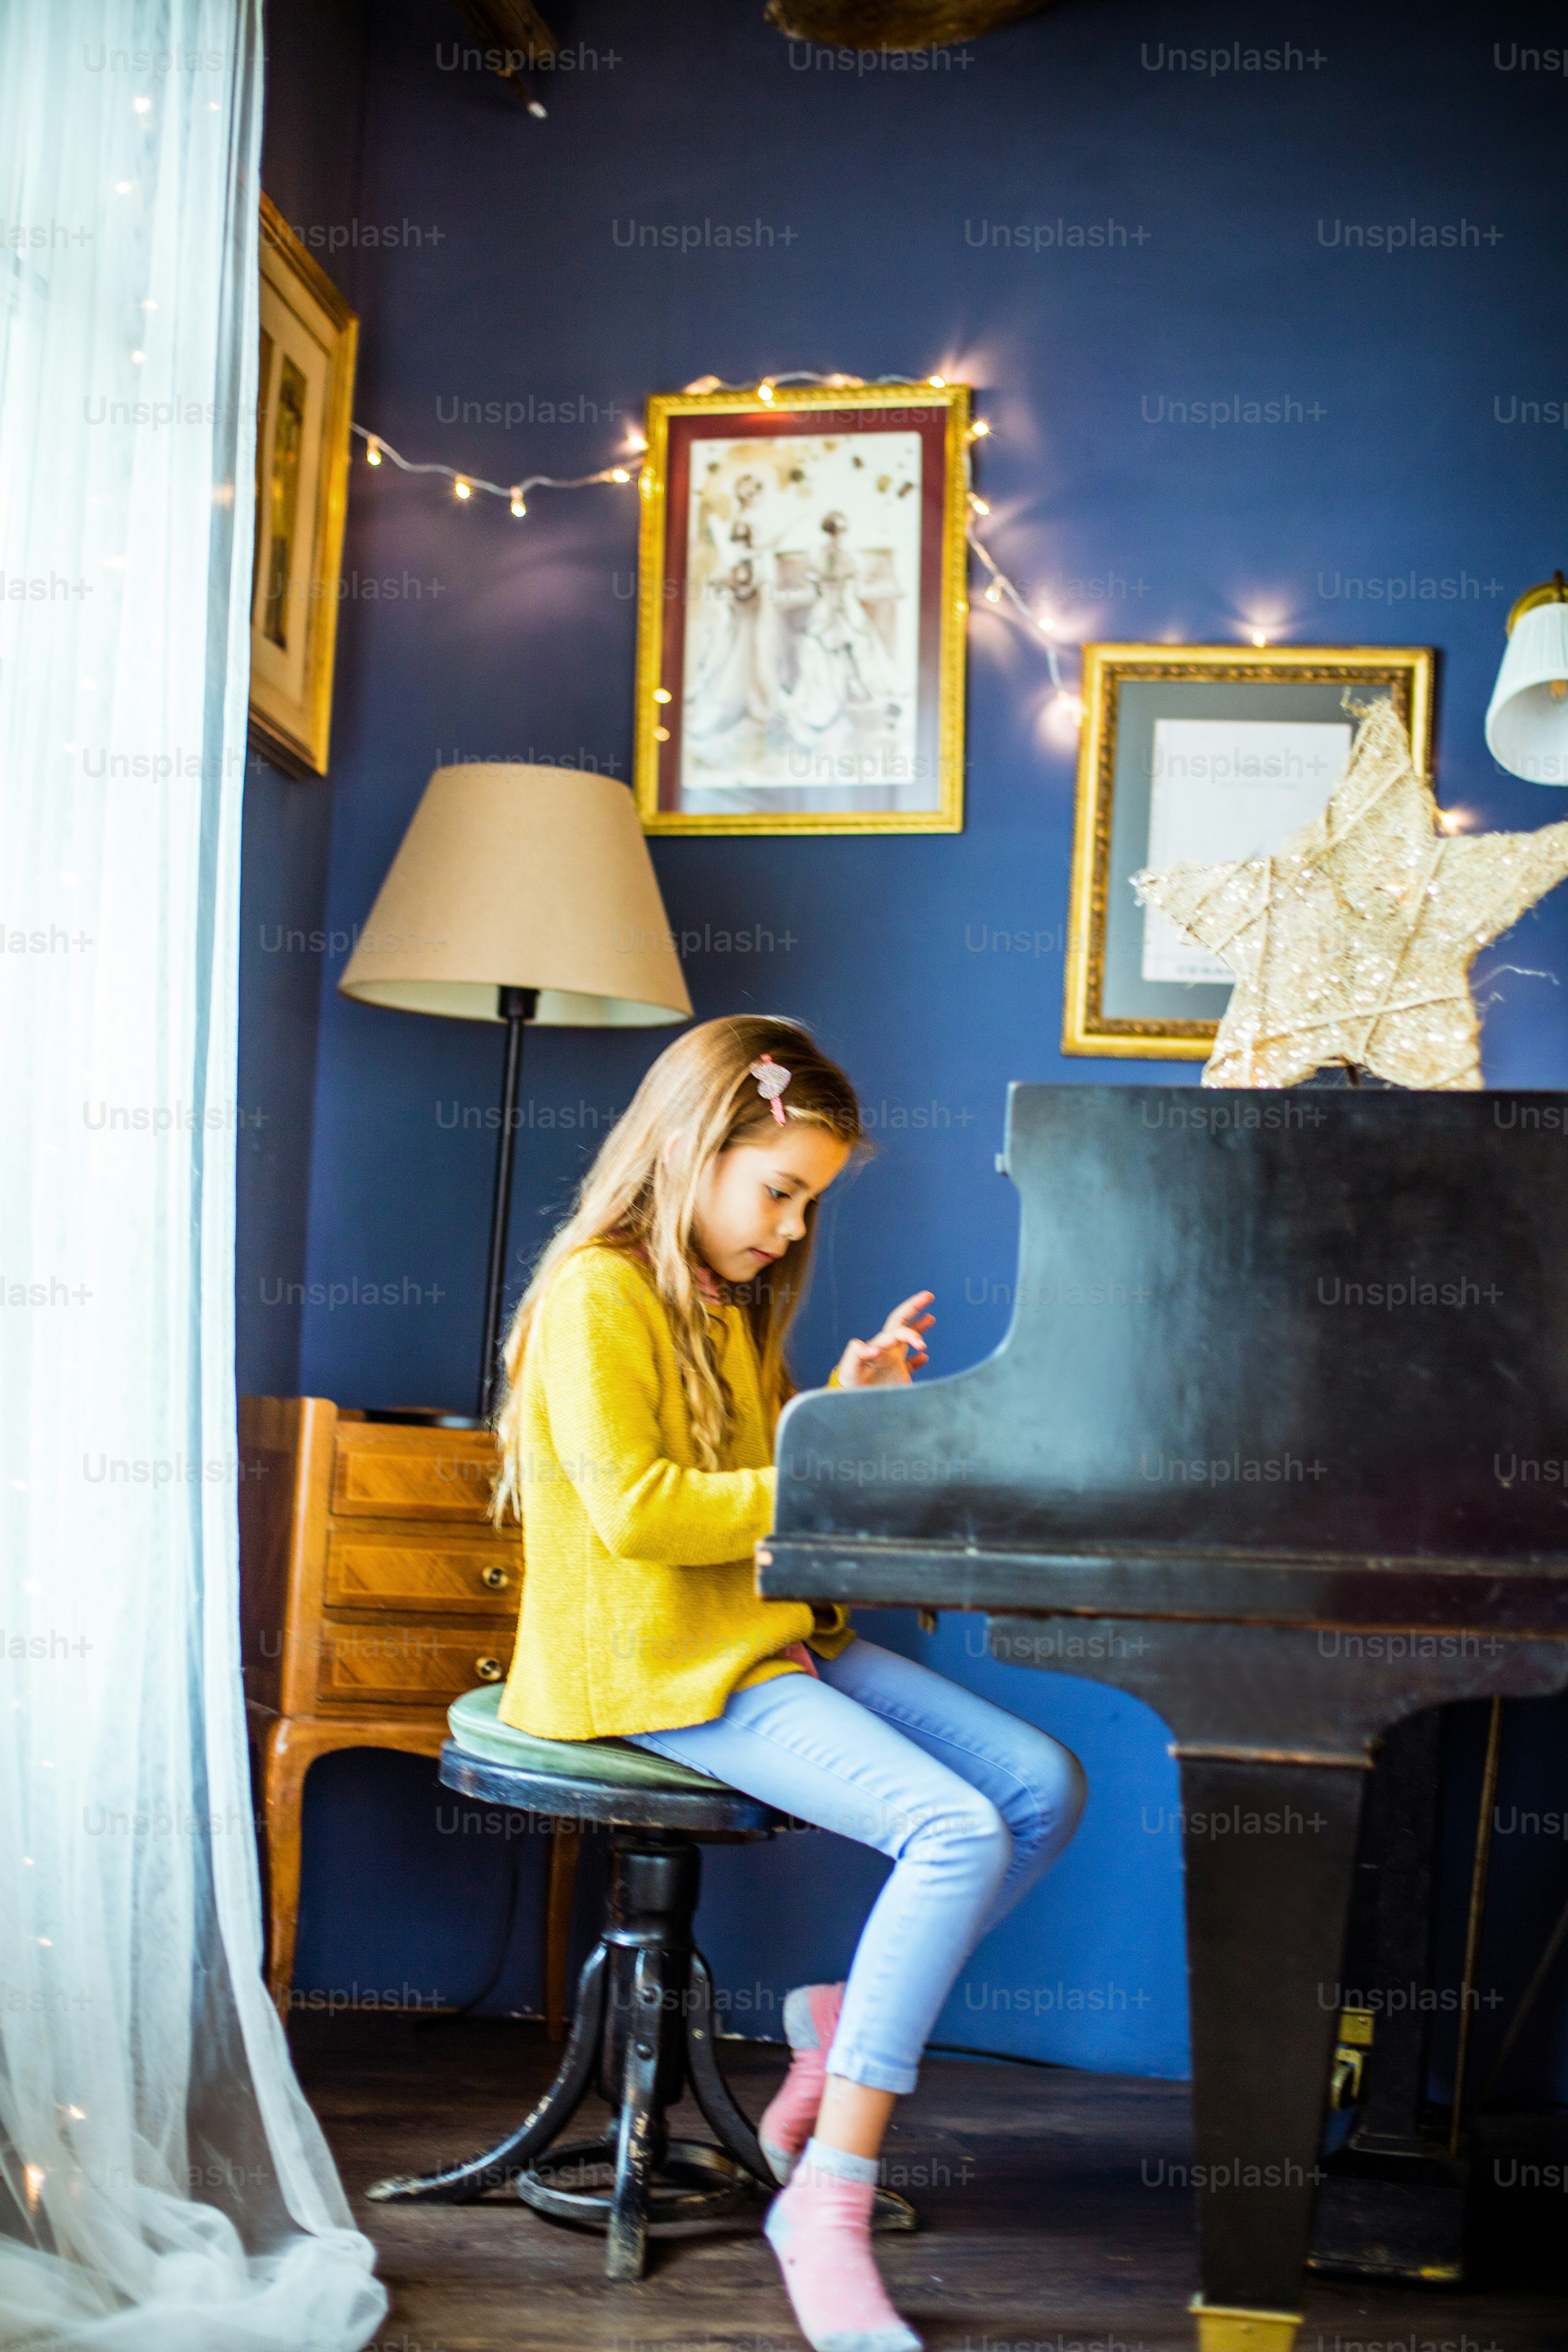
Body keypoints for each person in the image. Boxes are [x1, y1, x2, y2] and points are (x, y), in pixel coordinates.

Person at [492, 1015, 1085, 2352]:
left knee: (1041, 1786)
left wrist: (836, 1403)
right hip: (656, 1662)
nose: (789, 1226)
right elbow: (645, 1513)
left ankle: (836, 2026)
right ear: (698, 1149)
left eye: (807, 1200)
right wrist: (818, 1471)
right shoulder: (598, 1290)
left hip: (748, 1635)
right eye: (779, 1189)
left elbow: (750, 1493)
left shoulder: (722, 1299)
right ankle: (827, 2195)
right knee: (953, 1829)